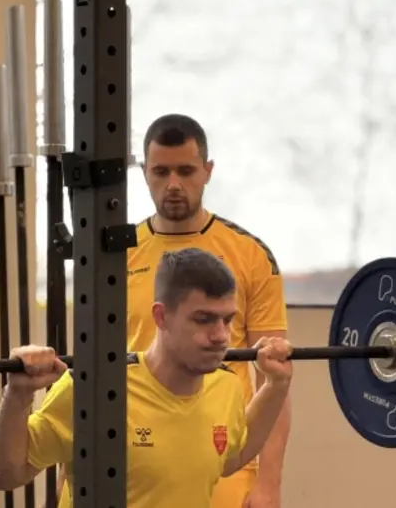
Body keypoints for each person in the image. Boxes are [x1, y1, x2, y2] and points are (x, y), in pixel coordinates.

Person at [55, 113, 291, 508]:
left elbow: (275, 375)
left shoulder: (250, 255)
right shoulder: (113, 254)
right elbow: (88, 369)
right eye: (161, 172)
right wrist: (68, 476)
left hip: (219, 451)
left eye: (186, 170)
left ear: (207, 171)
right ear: (144, 173)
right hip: (130, 450)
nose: (174, 184)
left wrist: (269, 484)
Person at [0, 248, 293, 508]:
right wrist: (18, 395)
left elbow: (230, 458)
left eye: (227, 320)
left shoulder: (225, 387)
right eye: (204, 319)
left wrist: (276, 386)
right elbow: (3, 475)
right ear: (161, 316)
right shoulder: (92, 388)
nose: (221, 336)